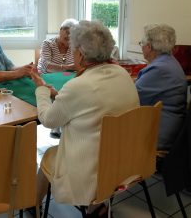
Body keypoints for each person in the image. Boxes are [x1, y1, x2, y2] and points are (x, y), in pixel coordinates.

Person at [31, 21, 139, 209]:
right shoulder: (123, 74)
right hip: (123, 160)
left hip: (90, 171)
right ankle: (97, 207)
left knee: (49, 153)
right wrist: (60, 96)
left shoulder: (78, 85)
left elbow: (48, 120)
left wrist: (41, 90)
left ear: (80, 54)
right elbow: (94, 102)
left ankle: (32, 204)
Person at [135, 23, 187, 151]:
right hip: (168, 127)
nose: (141, 47)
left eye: (142, 44)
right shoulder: (168, 61)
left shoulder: (159, 68)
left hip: (159, 135)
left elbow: (130, 97)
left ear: (150, 46)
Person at [37, 18, 78, 138]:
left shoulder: (74, 46)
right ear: (61, 30)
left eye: (73, 36)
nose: (69, 39)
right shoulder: (48, 43)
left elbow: (80, 64)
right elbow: (47, 66)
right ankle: (56, 125)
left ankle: (67, 124)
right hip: (46, 77)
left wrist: (69, 68)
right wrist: (69, 67)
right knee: (59, 93)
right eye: (67, 34)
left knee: (71, 92)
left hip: (66, 77)